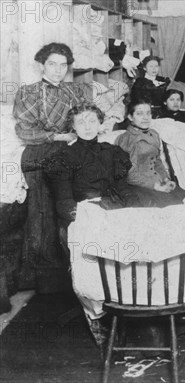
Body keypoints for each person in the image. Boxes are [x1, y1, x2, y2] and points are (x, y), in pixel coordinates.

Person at [13, 42, 93, 293]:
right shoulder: (29, 92)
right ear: (41, 65)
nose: (58, 70)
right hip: (39, 154)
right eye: (52, 64)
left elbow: (86, 117)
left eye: (63, 65)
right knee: (43, 211)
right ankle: (43, 277)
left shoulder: (75, 91)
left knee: (76, 206)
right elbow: (25, 131)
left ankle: (79, 272)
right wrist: (58, 137)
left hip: (68, 151)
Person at [44, 102, 141, 225]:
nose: (87, 127)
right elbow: (64, 203)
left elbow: (124, 189)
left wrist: (135, 211)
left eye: (92, 121)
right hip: (85, 217)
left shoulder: (112, 151)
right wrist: (90, 219)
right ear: (73, 126)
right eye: (81, 123)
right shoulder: (64, 157)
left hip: (116, 210)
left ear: (100, 123)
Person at [114, 99, 185, 207]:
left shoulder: (154, 134)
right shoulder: (126, 139)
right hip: (137, 185)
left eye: (148, 113)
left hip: (157, 181)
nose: (146, 117)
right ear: (130, 117)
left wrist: (165, 179)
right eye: (139, 114)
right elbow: (129, 174)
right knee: (172, 207)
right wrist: (156, 186)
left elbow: (157, 161)